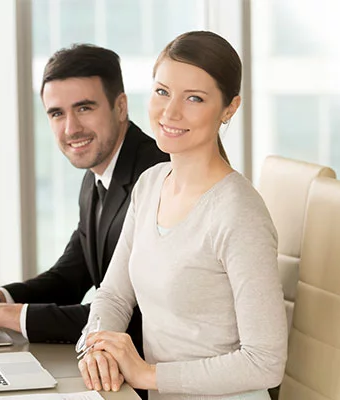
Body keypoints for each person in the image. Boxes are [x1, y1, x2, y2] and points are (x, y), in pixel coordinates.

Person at [77, 31, 287, 398]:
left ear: (229, 108)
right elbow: (112, 295)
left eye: (194, 98)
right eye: (162, 92)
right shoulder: (151, 183)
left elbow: (265, 361)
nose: (170, 112)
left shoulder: (239, 213)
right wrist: (96, 348)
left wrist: (147, 374)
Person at [0, 44, 169, 349]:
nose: (71, 128)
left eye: (84, 108)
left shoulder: (158, 177)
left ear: (120, 107)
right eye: (56, 113)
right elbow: (68, 279)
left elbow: (134, 318)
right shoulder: (97, 177)